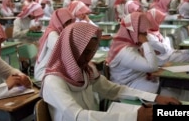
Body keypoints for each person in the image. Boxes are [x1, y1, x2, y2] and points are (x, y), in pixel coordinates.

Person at [41, 22, 181, 121]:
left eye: (92, 52)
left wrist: (154, 98)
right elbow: (78, 116)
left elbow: (114, 90)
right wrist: (134, 117)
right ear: (70, 49)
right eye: (85, 52)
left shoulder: (86, 71)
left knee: (171, 114)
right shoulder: (53, 81)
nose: (89, 57)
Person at [106, 12, 189, 101]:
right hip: (129, 85)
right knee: (173, 96)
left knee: (183, 90)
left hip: (142, 78)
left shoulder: (132, 44)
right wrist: (145, 42)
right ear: (134, 31)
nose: (146, 34)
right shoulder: (124, 51)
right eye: (143, 32)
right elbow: (152, 67)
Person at [34, 8, 75, 81]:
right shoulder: (52, 34)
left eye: (70, 22)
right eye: (67, 22)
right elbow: (64, 50)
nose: (70, 25)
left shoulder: (62, 33)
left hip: (55, 69)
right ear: (59, 22)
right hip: (45, 71)